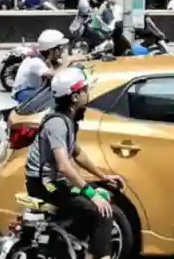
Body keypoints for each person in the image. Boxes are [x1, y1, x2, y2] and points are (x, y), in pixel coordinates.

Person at [24, 67, 123, 259]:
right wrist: (91, 194)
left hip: (53, 181)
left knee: (104, 194)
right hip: (45, 185)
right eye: (85, 90)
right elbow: (64, 166)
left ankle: (70, 241)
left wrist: (103, 177)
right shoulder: (58, 123)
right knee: (102, 213)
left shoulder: (68, 119)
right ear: (75, 97)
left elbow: (77, 153)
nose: (88, 93)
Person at [15, 29, 69, 104]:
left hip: (34, 90)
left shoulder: (43, 58)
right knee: (53, 98)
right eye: (60, 48)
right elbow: (54, 74)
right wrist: (67, 62)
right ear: (51, 50)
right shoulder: (36, 61)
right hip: (23, 92)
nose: (62, 51)